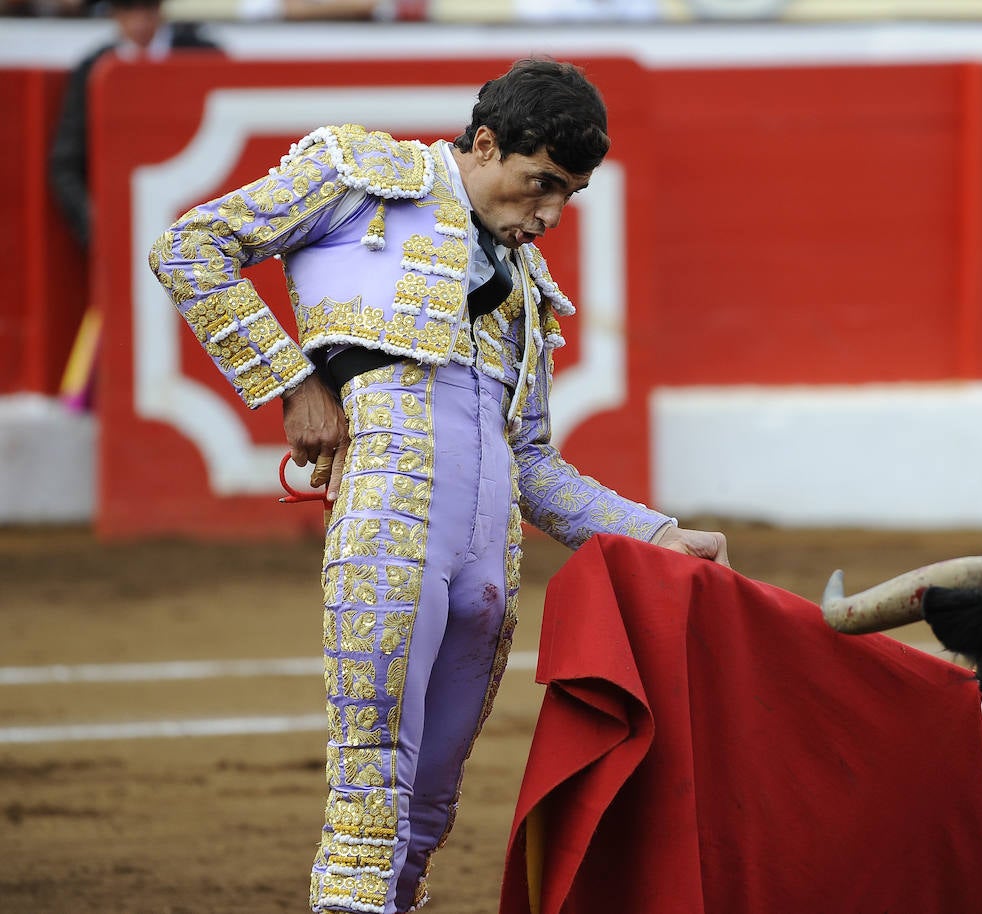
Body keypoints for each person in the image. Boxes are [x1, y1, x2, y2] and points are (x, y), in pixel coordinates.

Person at [147, 57, 729, 914]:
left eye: (568, 194)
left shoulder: (526, 290)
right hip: (390, 531)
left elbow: (531, 463)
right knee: (372, 790)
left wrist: (654, 535)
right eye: (540, 184)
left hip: (487, 568)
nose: (551, 213)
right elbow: (190, 247)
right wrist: (292, 382)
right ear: (485, 143)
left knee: (428, 809)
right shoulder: (364, 178)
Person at [49, 0, 219, 250]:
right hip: (122, 224)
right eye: (128, 11)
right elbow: (66, 162)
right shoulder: (91, 69)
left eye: (146, 9)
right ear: (114, 15)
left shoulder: (202, 55)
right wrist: (95, 225)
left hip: (195, 218)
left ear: (159, 10)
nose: (138, 22)